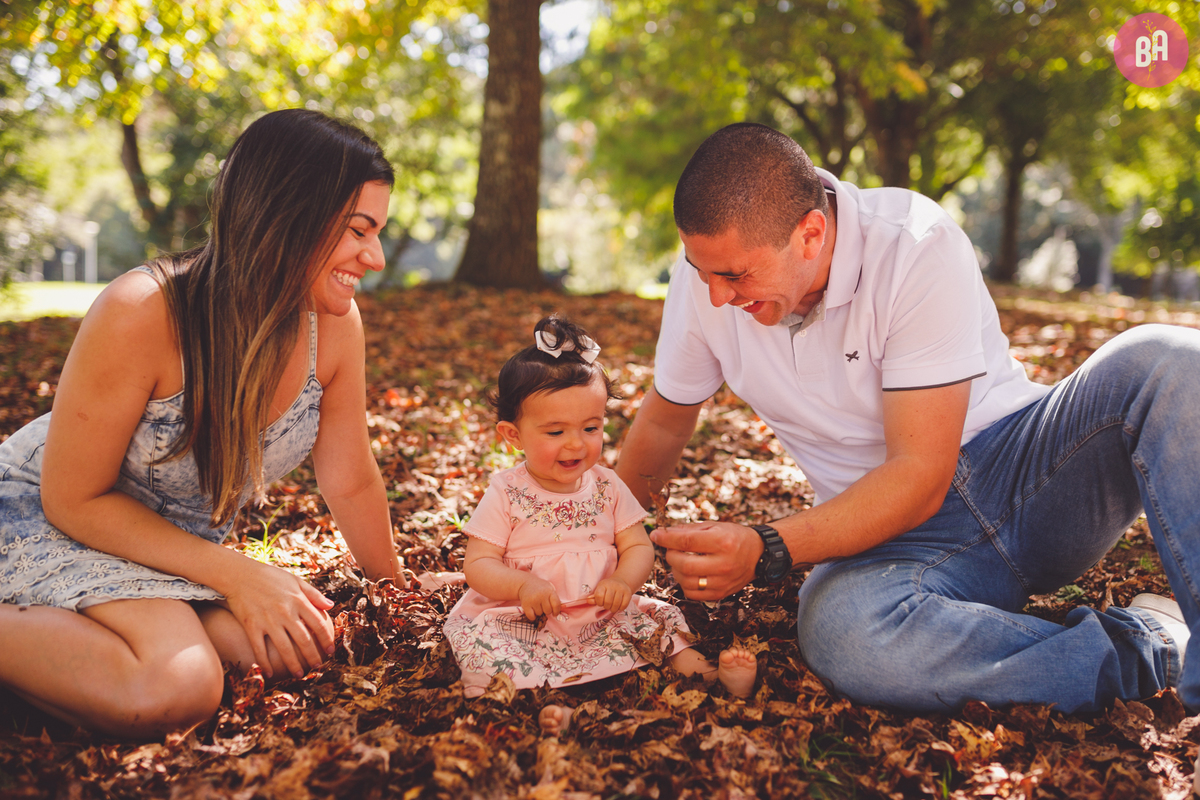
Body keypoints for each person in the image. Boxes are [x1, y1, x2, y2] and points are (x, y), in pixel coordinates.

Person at [616, 121, 1200, 719]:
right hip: (894, 541)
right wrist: (601, 538)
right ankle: (1145, 646)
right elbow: (663, 426)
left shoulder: (913, 242)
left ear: (810, 234)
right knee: (846, 633)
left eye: (735, 275)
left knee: (1172, 361)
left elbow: (922, 474)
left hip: (1029, 476)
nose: (715, 296)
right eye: (699, 270)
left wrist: (768, 546)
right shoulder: (704, 288)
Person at [0, 109, 404, 738]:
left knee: (288, 648)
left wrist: (397, 592)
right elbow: (72, 498)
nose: (374, 257)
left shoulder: (337, 327)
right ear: (290, 211)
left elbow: (350, 481)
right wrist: (240, 575)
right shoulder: (143, 310)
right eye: (359, 229)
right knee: (178, 683)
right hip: (51, 521)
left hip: (170, 552)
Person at [442, 316, 757, 734]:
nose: (577, 443)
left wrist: (624, 582)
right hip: (528, 615)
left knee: (659, 620)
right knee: (487, 642)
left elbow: (638, 547)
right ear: (513, 435)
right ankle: (529, 706)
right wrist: (522, 586)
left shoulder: (607, 486)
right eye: (555, 431)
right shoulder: (507, 492)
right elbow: (478, 564)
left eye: (591, 427)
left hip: (601, 609)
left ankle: (708, 677)